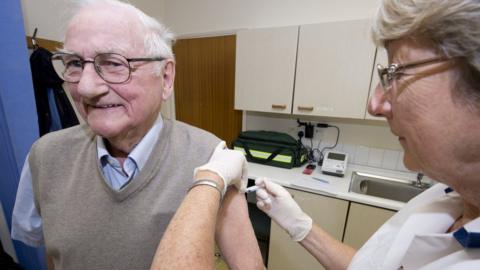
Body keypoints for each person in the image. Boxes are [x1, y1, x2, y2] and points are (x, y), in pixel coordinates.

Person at [154, 0, 480, 269]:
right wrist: (300, 225)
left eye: (396, 73)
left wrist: (210, 181)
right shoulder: (442, 199)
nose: (375, 103)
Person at [10, 0, 263, 269]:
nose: (85, 87)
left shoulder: (211, 159)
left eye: (113, 63)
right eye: (74, 63)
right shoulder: (45, 156)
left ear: (165, 78)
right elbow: (56, 254)